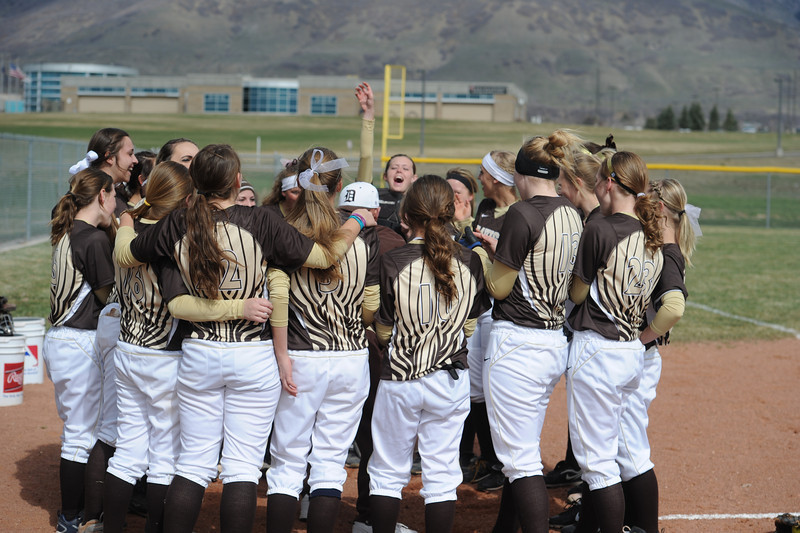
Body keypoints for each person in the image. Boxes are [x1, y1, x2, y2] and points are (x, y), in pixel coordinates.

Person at [114, 143, 374, 533]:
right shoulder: (262, 221)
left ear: (196, 183)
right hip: (252, 354)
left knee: (193, 464)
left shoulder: (177, 221)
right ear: (237, 181)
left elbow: (127, 256)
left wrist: (124, 223)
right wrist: (355, 221)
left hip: (199, 351)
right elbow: (322, 259)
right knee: (242, 467)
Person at [265, 147, 380, 533]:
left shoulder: (284, 235)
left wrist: (280, 352)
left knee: (287, 463)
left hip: (301, 355)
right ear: (339, 187)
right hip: (350, 357)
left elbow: (278, 297)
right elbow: (369, 308)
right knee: (330, 463)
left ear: (296, 184)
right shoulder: (361, 243)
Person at [367, 175, 490, 533]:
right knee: (442, 473)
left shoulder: (394, 261)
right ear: (451, 212)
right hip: (449, 379)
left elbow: (384, 328)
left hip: (401, 377)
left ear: (407, 214)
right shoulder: (471, 260)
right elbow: (470, 323)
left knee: (387, 472)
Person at [479, 132, 584, 533]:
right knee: (520, 449)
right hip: (552, 339)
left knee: (520, 460)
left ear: (520, 175)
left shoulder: (522, 213)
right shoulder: (572, 211)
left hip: (517, 342)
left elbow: (499, 287)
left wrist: (487, 255)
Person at [566, 151, 664, 533]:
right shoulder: (651, 233)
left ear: (608, 184)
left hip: (598, 350)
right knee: (629, 451)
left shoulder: (601, 228)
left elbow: (577, 294)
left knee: (597, 464)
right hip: (631, 350)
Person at [616, 178, 697, 533]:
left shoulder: (667, 254)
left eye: (648, 205)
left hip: (642, 359)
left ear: (660, 210)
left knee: (631, 451)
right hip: (642, 359)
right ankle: (629, 523)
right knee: (621, 446)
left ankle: (645, 527)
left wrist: (642, 338)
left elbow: (674, 308)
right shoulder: (663, 247)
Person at [43, 167, 117, 533]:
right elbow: (109, 299)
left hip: (60, 340)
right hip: (79, 341)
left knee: (79, 430)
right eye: (114, 194)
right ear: (102, 195)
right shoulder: (94, 240)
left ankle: (78, 515)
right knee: (83, 434)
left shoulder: (68, 232)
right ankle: (72, 518)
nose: (116, 202)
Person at [459, 151, 518, 494]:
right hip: (477, 308)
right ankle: (490, 459)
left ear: (496, 178)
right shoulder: (484, 208)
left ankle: (502, 461)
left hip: (502, 312)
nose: (480, 179)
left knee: (496, 392)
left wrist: (486, 252)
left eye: (484, 174)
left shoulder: (518, 216)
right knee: (476, 390)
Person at [68, 128, 138, 217]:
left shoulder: (120, 196)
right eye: (130, 154)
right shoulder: (86, 201)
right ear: (109, 157)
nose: (135, 160)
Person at [375, 154, 417, 234]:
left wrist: (410, 233)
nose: (399, 170)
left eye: (405, 168)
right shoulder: (373, 197)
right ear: (385, 176)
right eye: (394, 168)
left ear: (414, 178)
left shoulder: (419, 203)